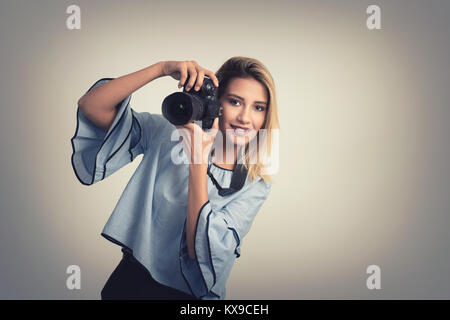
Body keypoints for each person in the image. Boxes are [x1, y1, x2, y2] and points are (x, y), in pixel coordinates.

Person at [70, 57, 280, 300]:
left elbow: (198, 250)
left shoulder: (255, 185)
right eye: (235, 102)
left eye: (258, 107)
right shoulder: (169, 133)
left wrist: (197, 161)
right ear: (216, 103)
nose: (245, 117)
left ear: (266, 115)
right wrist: (161, 68)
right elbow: (91, 105)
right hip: (132, 281)